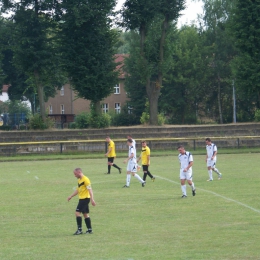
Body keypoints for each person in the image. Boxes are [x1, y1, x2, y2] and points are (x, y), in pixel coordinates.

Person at [67, 168, 96, 235]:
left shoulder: (85, 179)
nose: (75, 175)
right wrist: (71, 196)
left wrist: (92, 199)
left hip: (85, 199)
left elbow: (90, 190)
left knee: (77, 213)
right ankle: (89, 229)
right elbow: (78, 190)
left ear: (79, 172)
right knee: (85, 214)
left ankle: (79, 230)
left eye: (75, 174)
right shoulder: (80, 180)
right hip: (82, 199)